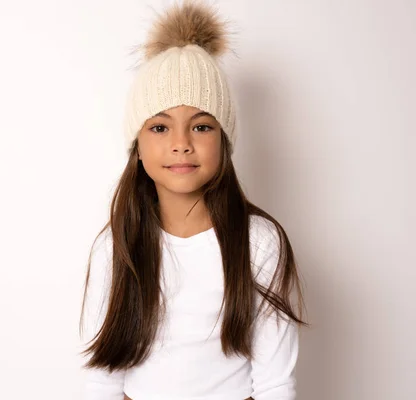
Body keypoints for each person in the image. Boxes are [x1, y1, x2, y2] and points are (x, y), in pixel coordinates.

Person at [77, 1, 308, 399]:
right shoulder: (115, 247)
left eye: (201, 126)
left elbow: (274, 384)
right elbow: (104, 380)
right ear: (138, 146)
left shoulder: (259, 242)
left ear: (224, 139)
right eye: (160, 127)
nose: (181, 144)